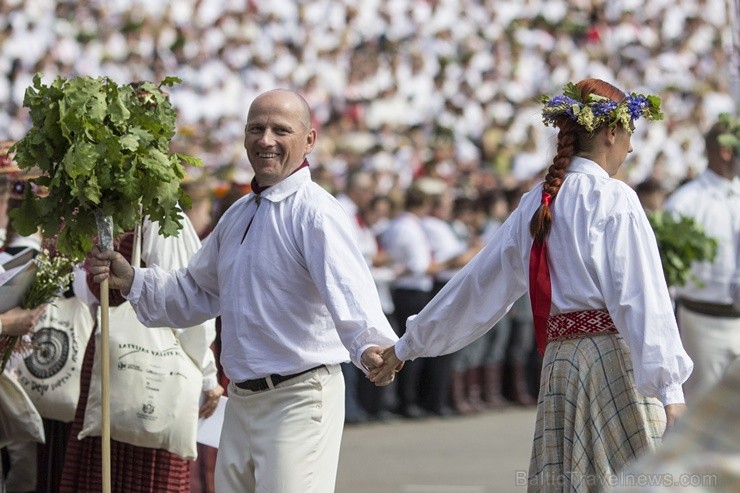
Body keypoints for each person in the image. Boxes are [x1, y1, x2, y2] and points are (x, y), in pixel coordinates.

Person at [371, 78, 693, 491]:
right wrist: (671, 391)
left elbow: (475, 285)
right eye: (630, 134)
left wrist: (405, 346)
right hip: (615, 361)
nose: (630, 149)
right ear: (612, 131)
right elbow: (642, 298)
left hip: (561, 364)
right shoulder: (615, 199)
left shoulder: (536, 204)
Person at [89, 89, 399, 493]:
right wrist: (131, 279)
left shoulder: (316, 212)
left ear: (309, 140)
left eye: (280, 130)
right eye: (256, 128)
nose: (265, 139)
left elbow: (350, 291)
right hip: (242, 400)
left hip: (300, 398)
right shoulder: (239, 214)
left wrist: (372, 345)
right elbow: (196, 291)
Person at [663, 114, 740, 404]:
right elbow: (667, 273)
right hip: (704, 323)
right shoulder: (685, 202)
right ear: (726, 151)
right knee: (705, 409)